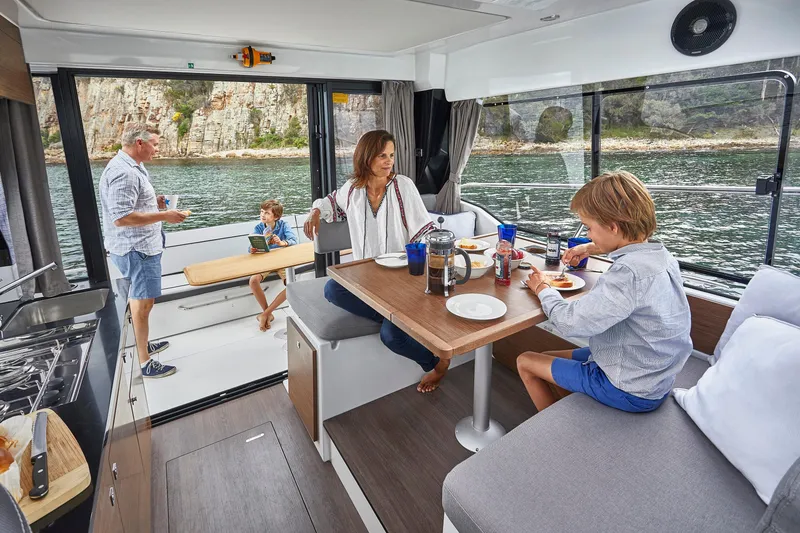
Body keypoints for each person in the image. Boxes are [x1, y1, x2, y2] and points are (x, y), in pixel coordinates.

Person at [518, 171, 692, 412]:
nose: (587, 234)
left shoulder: (627, 274)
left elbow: (570, 323)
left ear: (612, 227)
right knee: (547, 354)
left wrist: (543, 288)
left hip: (630, 389)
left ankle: (560, 434)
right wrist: (591, 247)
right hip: (652, 372)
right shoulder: (660, 255)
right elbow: (627, 247)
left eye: (588, 228)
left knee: (526, 361)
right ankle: (567, 411)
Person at [303, 130, 448, 393]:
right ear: (366, 157)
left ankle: (437, 364)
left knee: (391, 337)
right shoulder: (353, 189)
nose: (389, 161)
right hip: (367, 282)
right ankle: (394, 317)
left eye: (391, 155)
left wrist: (437, 259)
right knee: (332, 289)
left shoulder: (403, 186)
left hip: (402, 279)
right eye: (382, 155)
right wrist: (315, 211)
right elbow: (331, 202)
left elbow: (424, 231)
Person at [100, 123, 186, 378]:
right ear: (139, 142)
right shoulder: (124, 172)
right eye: (155, 144)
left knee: (143, 300)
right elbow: (122, 217)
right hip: (137, 249)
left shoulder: (132, 166)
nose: (157, 150)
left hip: (140, 246)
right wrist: (164, 215)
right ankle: (145, 362)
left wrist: (153, 203)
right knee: (143, 303)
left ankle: (143, 344)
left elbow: (131, 204)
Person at [248, 199, 298, 331]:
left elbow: (294, 240)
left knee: (291, 286)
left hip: (282, 260)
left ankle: (265, 314)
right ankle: (268, 313)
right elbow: (251, 246)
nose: (262, 215)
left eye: (266, 213)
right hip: (265, 260)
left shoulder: (283, 225)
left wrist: (282, 243)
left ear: (276, 216)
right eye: (261, 212)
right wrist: (252, 249)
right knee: (253, 280)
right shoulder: (259, 227)